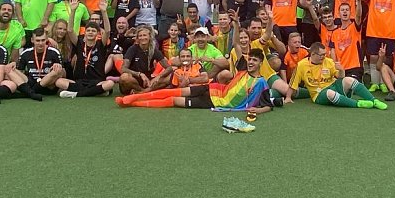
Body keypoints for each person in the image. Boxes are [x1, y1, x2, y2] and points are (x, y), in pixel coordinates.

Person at [115, 49, 279, 116]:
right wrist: (236, 24)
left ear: (260, 63)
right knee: (173, 91)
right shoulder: (242, 69)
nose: (250, 62)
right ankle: (131, 98)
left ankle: (133, 103)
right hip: (213, 88)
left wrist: (257, 110)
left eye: (254, 60)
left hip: (214, 101)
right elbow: (237, 45)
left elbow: (267, 106)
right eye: (250, 59)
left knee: (174, 101)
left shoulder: (261, 83)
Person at [286, 42, 387, 110]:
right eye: (321, 55)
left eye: (325, 54)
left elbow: (340, 77)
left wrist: (341, 70)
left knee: (349, 79)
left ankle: (374, 100)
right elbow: (293, 82)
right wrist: (288, 97)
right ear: (312, 54)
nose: (324, 57)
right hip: (319, 94)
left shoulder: (328, 61)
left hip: (333, 86)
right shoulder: (301, 65)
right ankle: (357, 103)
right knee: (329, 93)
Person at [57, 1, 115, 98]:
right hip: (79, 81)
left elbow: (108, 31)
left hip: (97, 81)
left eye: (93, 31)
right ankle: (96, 92)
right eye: (88, 30)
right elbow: (70, 30)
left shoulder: (100, 44)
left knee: (110, 83)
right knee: (59, 81)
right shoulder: (79, 43)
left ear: (98, 33)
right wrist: (73, 11)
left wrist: (104, 12)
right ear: (85, 32)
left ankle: (76, 94)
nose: (90, 32)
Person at [8, 27, 66, 97]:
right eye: (38, 41)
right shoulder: (25, 53)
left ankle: (30, 92)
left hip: (48, 86)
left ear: (46, 39)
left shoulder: (54, 52)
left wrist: (58, 67)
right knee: (9, 68)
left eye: (43, 40)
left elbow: (63, 75)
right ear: (32, 40)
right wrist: (13, 65)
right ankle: (31, 91)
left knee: (57, 71)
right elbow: (20, 73)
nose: (40, 43)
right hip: (30, 83)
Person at [118, 25, 169, 94]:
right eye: (140, 36)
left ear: (149, 37)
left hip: (148, 80)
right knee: (124, 77)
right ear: (137, 38)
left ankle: (143, 92)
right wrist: (140, 74)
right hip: (134, 80)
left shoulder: (153, 50)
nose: (142, 38)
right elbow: (123, 69)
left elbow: (169, 68)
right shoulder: (132, 49)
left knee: (170, 76)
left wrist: (159, 76)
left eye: (144, 35)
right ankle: (144, 91)